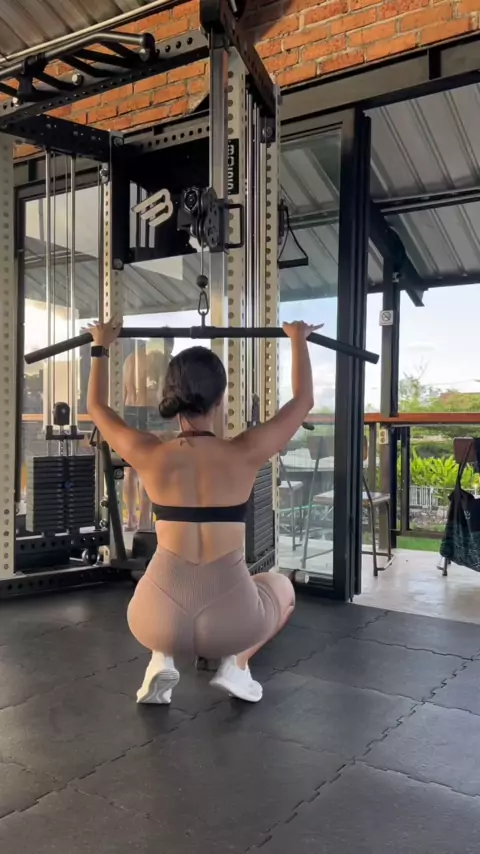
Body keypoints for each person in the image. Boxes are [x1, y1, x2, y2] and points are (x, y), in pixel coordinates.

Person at [86, 318, 320, 704]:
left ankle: (160, 658)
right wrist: (297, 339)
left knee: (163, 585)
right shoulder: (246, 452)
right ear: (220, 399)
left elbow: (96, 407)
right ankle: (236, 666)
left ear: (171, 395)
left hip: (154, 619)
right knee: (280, 586)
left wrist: (100, 345)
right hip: (231, 623)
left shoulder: (150, 453)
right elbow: (303, 401)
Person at [123, 337, 175, 530]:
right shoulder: (163, 359)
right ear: (167, 344)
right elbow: (162, 392)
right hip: (152, 411)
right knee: (149, 465)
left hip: (130, 410)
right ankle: (144, 520)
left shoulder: (131, 358)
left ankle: (131, 519)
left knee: (129, 469)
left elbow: (124, 391)